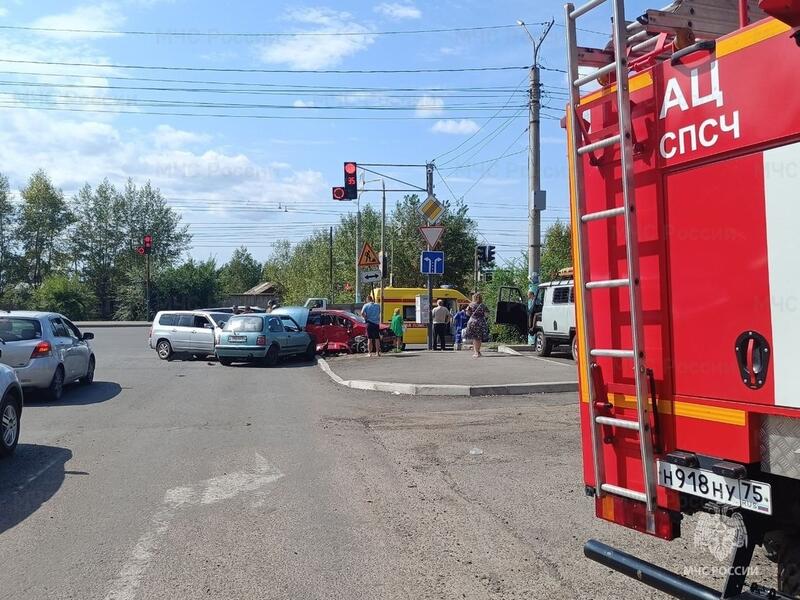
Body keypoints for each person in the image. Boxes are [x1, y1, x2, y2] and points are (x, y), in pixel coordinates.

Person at [465, 292, 489, 358]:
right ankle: (478, 351)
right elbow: (486, 315)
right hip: (481, 322)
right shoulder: (483, 305)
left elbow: (467, 313)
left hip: (472, 322)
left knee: (475, 338)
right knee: (479, 338)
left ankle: (476, 352)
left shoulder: (471, 305)